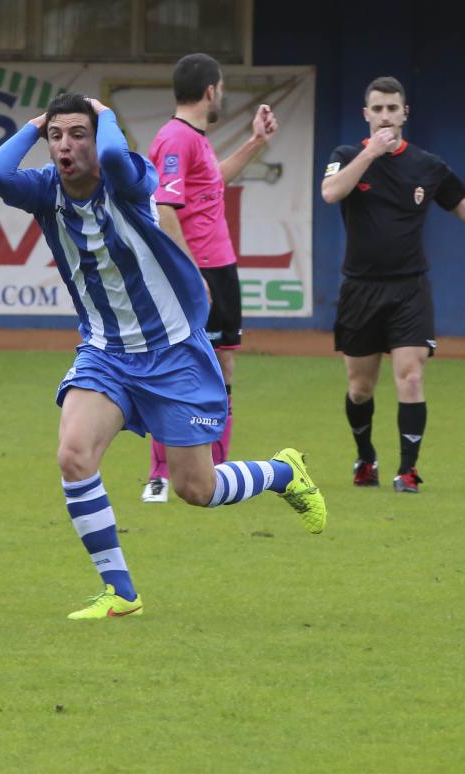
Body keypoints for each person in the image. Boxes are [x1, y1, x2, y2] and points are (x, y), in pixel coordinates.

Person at [0, 93, 325, 619]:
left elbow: (116, 159)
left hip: (172, 351)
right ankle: (121, 592)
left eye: (79, 134)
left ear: (99, 137)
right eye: (57, 136)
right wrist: (34, 126)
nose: (66, 145)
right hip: (106, 353)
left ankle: (284, 474)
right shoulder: (45, 190)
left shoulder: (128, 175)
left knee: (197, 487)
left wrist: (107, 116)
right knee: (74, 455)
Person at [322, 76, 465, 492]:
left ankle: (407, 470)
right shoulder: (346, 155)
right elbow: (331, 193)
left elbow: (456, 201)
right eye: (377, 109)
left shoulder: (427, 165)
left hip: (409, 287)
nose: (385, 116)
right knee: (359, 389)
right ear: (366, 114)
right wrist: (370, 154)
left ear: (405, 113)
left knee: (411, 376)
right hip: (360, 288)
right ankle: (365, 458)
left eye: (392, 108)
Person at [141, 52, 278, 503]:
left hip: (216, 267)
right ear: (210, 91)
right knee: (182, 367)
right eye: (221, 86)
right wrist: (190, 273)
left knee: (221, 366)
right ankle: (163, 474)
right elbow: (164, 208)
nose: (223, 93)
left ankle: (215, 472)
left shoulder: (192, 138)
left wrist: (255, 142)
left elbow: (210, 184)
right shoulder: (177, 138)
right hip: (201, 270)